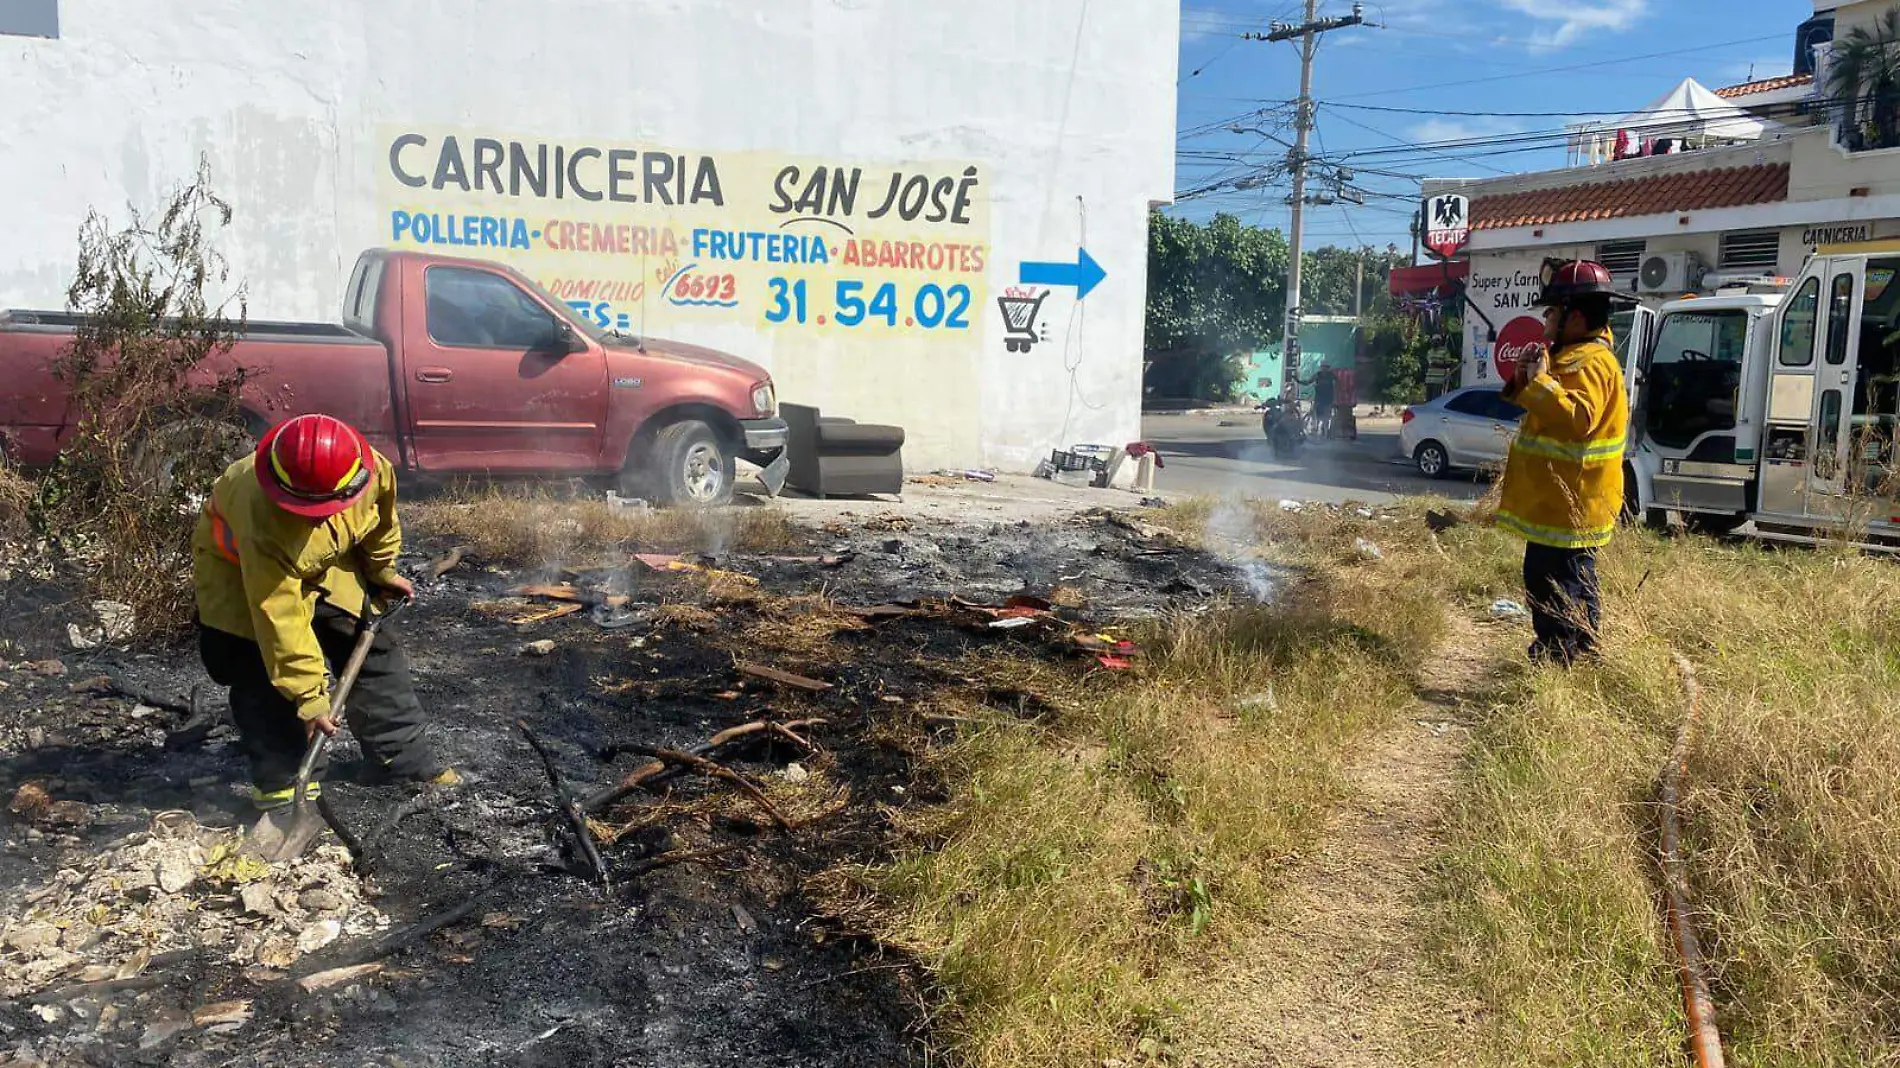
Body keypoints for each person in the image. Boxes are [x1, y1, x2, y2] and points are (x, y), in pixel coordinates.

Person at [193, 413, 457, 809]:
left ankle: (399, 760)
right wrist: (310, 699)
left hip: (325, 561)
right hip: (244, 576)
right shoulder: (258, 510)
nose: (315, 515)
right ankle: (283, 784)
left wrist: (381, 572)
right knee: (260, 671)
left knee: (371, 648)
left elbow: (380, 523)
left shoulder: (370, 470)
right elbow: (279, 615)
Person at [1497, 260, 1633, 666]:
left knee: (1552, 587)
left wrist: (1540, 382)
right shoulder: (1573, 355)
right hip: (1563, 506)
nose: (1546, 322)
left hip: (1569, 508)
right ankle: (1583, 652)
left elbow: (1577, 420)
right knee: (1575, 582)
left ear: (1574, 316)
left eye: (1551, 313)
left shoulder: (1590, 361)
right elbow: (1547, 415)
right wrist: (1526, 378)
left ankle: (1560, 659)